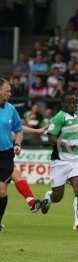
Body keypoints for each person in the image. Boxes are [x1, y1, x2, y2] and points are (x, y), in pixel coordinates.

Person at [41, 94, 78, 230]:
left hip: (77, 160)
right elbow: (51, 137)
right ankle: (49, 198)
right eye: (70, 103)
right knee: (58, 196)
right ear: (63, 103)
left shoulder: (75, 116)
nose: (73, 105)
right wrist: (66, 145)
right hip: (60, 161)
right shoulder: (58, 117)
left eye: (74, 103)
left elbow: (77, 131)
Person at [0, 78, 23, 231]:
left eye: (10, 90)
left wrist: (17, 144)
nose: (10, 93)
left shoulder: (10, 109)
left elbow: (19, 129)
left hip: (6, 155)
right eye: (7, 90)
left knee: (2, 192)